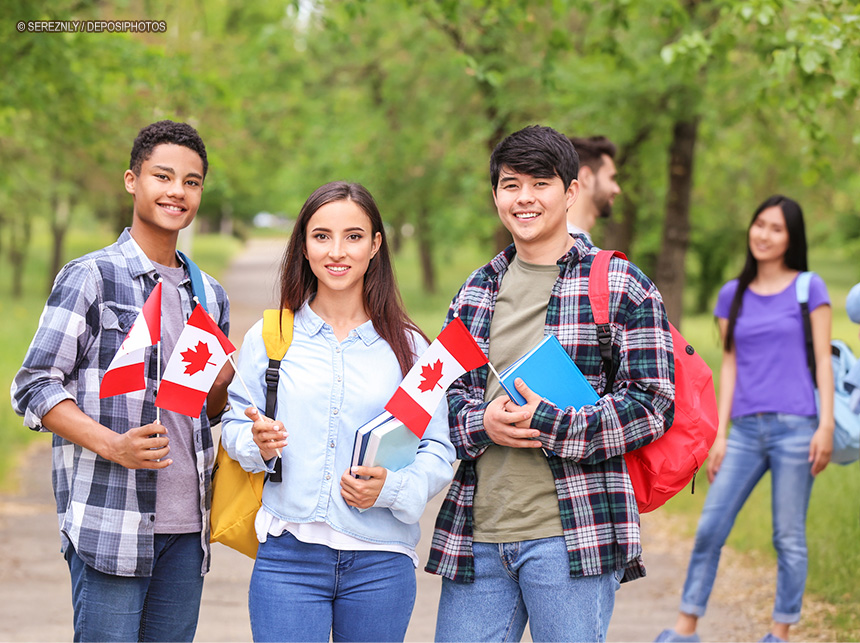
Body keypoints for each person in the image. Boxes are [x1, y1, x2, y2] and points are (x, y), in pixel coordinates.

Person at [427, 125, 675, 642]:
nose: (524, 198)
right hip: (478, 535)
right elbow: (443, 397)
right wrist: (483, 422)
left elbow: (653, 402)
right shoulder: (476, 290)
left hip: (573, 535)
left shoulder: (619, 283)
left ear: (570, 191)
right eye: (511, 184)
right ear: (495, 194)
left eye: (541, 183)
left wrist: (552, 425)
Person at [10, 120, 232, 642]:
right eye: (163, 176)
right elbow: (34, 386)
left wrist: (221, 388)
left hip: (186, 530)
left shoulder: (209, 294)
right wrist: (114, 445)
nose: (177, 191)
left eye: (192, 181)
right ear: (133, 180)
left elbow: (200, 413)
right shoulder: (91, 276)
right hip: (111, 523)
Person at [220, 181, 455, 643]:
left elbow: (438, 448)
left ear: (375, 245)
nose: (337, 251)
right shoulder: (271, 338)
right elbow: (233, 424)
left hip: (381, 564)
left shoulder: (410, 349)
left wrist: (394, 488)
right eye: (321, 236)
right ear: (304, 246)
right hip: (287, 558)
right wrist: (257, 443)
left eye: (353, 236)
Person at [656, 195, 834, 643]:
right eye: (759, 224)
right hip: (746, 432)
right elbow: (731, 365)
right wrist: (720, 435)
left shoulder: (808, 288)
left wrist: (826, 425)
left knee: (787, 536)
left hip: (798, 427)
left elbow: (823, 361)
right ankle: (685, 628)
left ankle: (779, 632)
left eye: (776, 228)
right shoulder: (731, 295)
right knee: (711, 526)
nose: (764, 234)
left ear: (791, 237)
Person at [566, 135, 621, 242]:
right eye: (611, 178)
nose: (617, 189)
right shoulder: (558, 247)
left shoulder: (582, 246)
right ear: (586, 177)